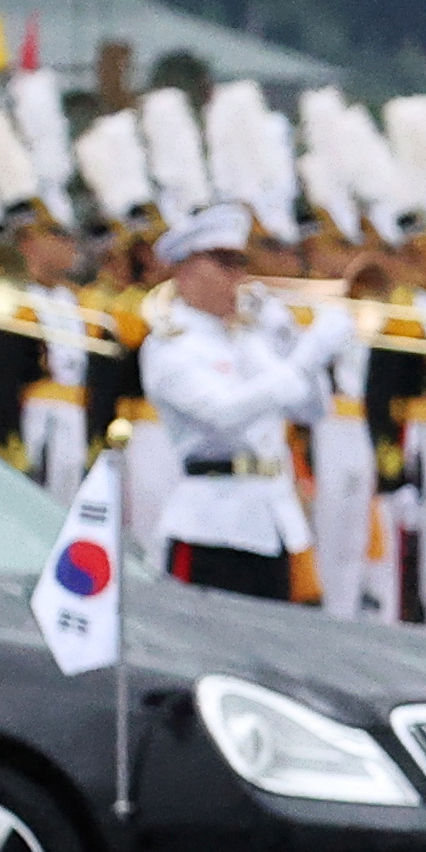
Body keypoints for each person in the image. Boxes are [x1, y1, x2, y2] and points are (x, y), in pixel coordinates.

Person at [139, 205, 323, 601]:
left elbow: (311, 410)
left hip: (274, 521)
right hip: (211, 525)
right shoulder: (170, 345)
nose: (237, 277)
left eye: (240, 264)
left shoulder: (247, 338)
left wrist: (292, 342)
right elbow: (223, 413)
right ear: (185, 270)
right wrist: (305, 360)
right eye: (224, 263)